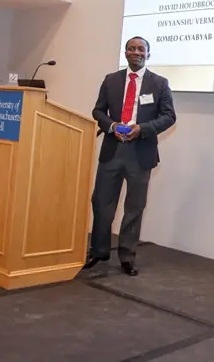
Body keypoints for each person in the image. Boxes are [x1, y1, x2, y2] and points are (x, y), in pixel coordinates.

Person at [84, 36, 176, 275]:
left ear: (148, 54)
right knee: (102, 203)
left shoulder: (160, 83)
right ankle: (99, 251)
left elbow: (169, 116)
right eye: (131, 48)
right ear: (125, 53)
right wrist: (112, 125)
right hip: (112, 150)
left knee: (134, 208)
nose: (136, 52)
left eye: (141, 49)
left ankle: (127, 256)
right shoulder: (111, 80)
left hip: (141, 152)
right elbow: (97, 111)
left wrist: (142, 129)